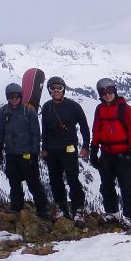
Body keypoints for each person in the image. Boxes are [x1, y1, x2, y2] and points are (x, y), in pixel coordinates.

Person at [88, 77, 131, 227]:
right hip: (106, 154)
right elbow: (96, 129)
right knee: (106, 186)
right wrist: (94, 149)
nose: (107, 94)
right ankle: (112, 213)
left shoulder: (126, 109)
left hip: (122, 154)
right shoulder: (100, 109)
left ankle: (130, 217)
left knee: (127, 187)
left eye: (110, 90)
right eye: (103, 92)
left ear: (115, 91)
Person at [0, 82, 51, 220]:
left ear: (21, 96)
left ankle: (42, 209)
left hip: (27, 153)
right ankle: (16, 208)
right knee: (14, 183)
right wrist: (0, 147)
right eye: (10, 96)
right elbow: (0, 131)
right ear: (7, 97)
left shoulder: (28, 111)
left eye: (16, 96)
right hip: (11, 154)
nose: (14, 99)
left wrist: (34, 153)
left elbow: (35, 134)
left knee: (33, 182)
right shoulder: (3, 111)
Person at [40, 76, 91, 223]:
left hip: (69, 149)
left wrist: (85, 145)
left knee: (72, 179)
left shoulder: (74, 106)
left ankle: (78, 210)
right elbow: (45, 129)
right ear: (49, 91)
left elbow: (84, 127)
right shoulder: (46, 107)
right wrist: (44, 148)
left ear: (64, 89)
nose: (56, 91)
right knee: (55, 181)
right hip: (52, 150)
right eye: (52, 88)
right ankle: (62, 208)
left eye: (59, 88)